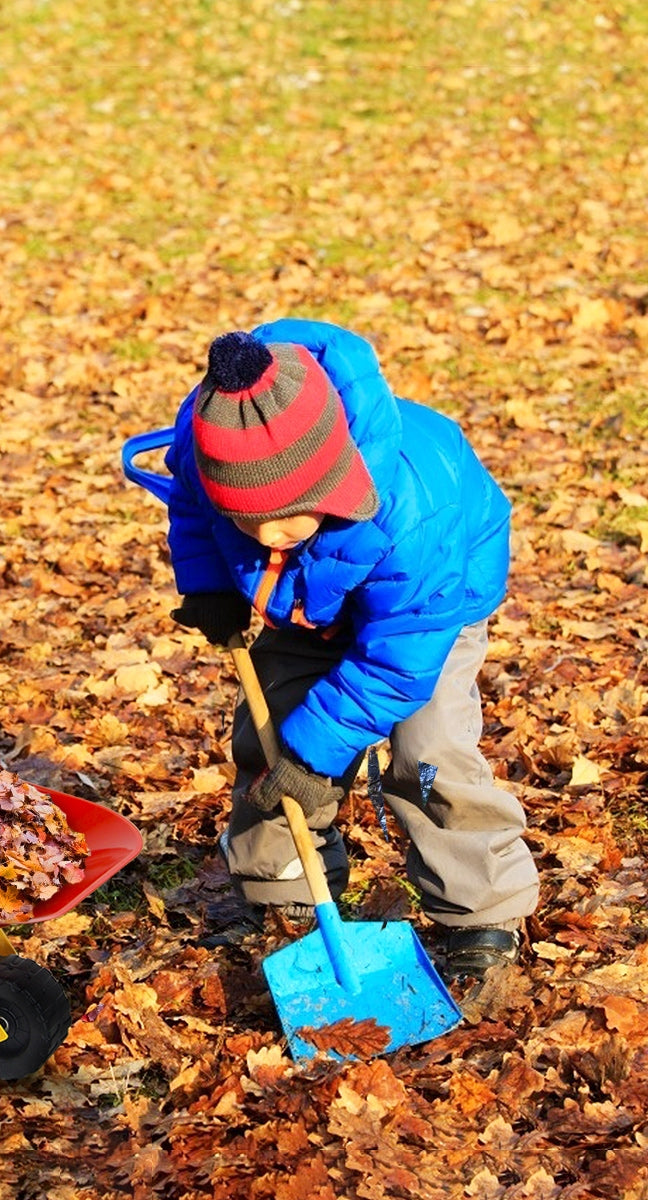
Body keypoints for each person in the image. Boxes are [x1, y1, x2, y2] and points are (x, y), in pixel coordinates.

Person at [164, 318, 539, 978]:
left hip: (429, 610)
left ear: (335, 483)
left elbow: (397, 665)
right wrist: (207, 586)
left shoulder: (412, 511)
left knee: (430, 751)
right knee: (271, 737)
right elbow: (192, 507)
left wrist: (316, 753)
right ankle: (285, 891)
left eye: (289, 515)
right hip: (310, 601)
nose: (272, 536)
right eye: (251, 521)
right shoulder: (209, 440)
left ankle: (482, 911)